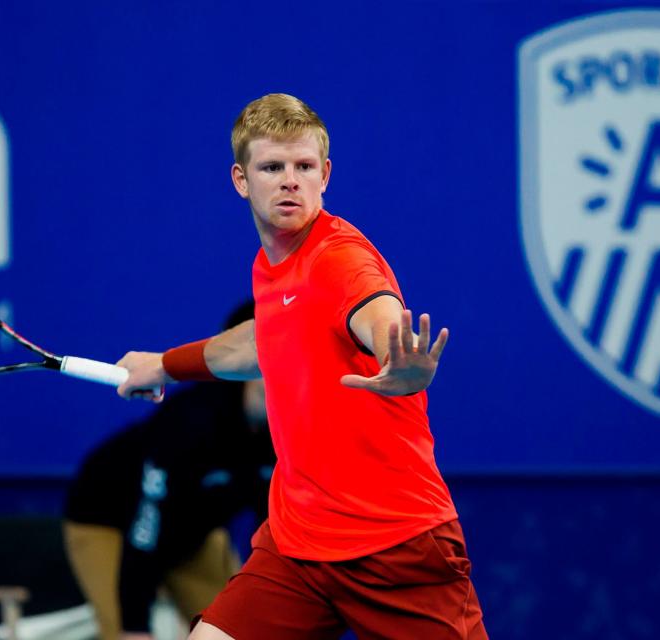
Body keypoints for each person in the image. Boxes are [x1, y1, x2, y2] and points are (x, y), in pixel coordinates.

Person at [116, 94, 488, 639]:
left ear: (325, 175)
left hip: (397, 547)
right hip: (298, 546)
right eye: (273, 167)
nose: (290, 180)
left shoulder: (338, 259)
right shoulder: (274, 265)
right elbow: (261, 340)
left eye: (303, 167)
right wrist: (166, 366)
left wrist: (400, 362)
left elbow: (378, 313)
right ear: (242, 180)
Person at [65, 303, 275, 640]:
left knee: (241, 630)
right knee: (124, 633)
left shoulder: (287, 428)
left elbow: (271, 529)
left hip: (192, 536)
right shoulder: (189, 425)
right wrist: (134, 627)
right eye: (266, 357)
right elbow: (145, 531)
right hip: (109, 521)